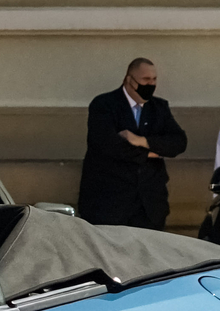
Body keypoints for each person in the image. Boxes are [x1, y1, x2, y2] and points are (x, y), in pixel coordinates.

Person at [78, 57, 187, 228]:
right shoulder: (104, 105)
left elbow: (179, 142)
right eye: (145, 80)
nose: (150, 84)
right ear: (129, 80)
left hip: (149, 206)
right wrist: (153, 153)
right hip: (109, 205)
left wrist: (141, 140)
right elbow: (109, 145)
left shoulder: (159, 108)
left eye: (154, 79)